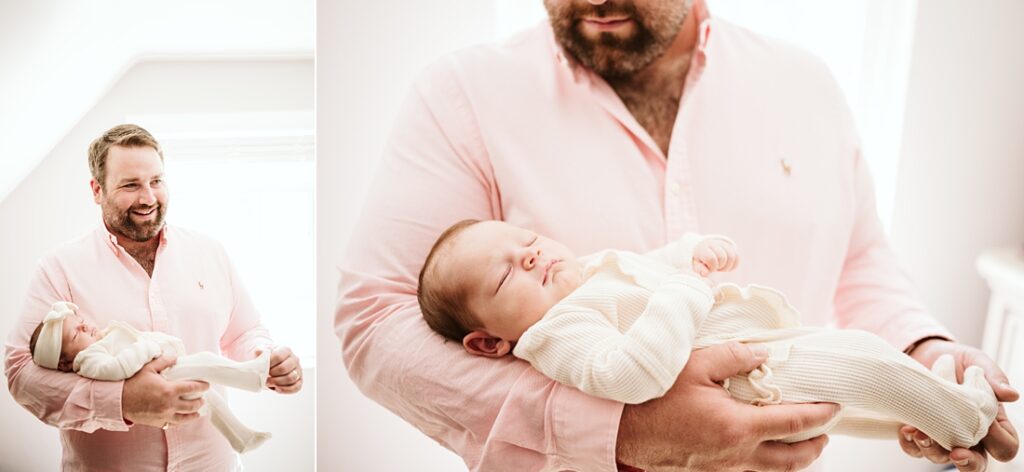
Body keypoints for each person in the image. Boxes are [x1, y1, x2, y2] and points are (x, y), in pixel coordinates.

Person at [335, 1, 1019, 470]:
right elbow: (374, 322)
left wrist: (927, 349)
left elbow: (860, 260)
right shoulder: (462, 96)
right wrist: (620, 430)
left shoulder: (805, 85)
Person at [418, 219, 999, 450]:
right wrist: (686, 287)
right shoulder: (555, 334)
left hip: (765, 353)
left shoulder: (585, 273)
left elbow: (646, 266)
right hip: (744, 380)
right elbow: (631, 374)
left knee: (844, 401)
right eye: (506, 273)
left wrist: (687, 252)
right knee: (863, 358)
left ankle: (932, 409)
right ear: (490, 342)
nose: (532, 257)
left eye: (528, 241)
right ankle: (966, 418)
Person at [4, 124, 304, 471]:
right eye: (131, 185)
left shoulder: (210, 252)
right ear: (97, 190)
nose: (148, 198)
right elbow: (21, 374)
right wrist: (121, 401)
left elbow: (245, 331)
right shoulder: (59, 268)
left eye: (156, 181)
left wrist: (266, 359)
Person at [30, 301, 273, 453]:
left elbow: (246, 328)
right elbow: (117, 368)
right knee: (206, 362)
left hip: (167, 372)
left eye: (81, 322)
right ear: (65, 362)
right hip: (163, 375)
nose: (86, 327)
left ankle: (241, 437)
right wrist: (147, 349)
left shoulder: (99, 340)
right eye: (76, 334)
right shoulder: (87, 359)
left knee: (209, 399)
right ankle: (252, 376)